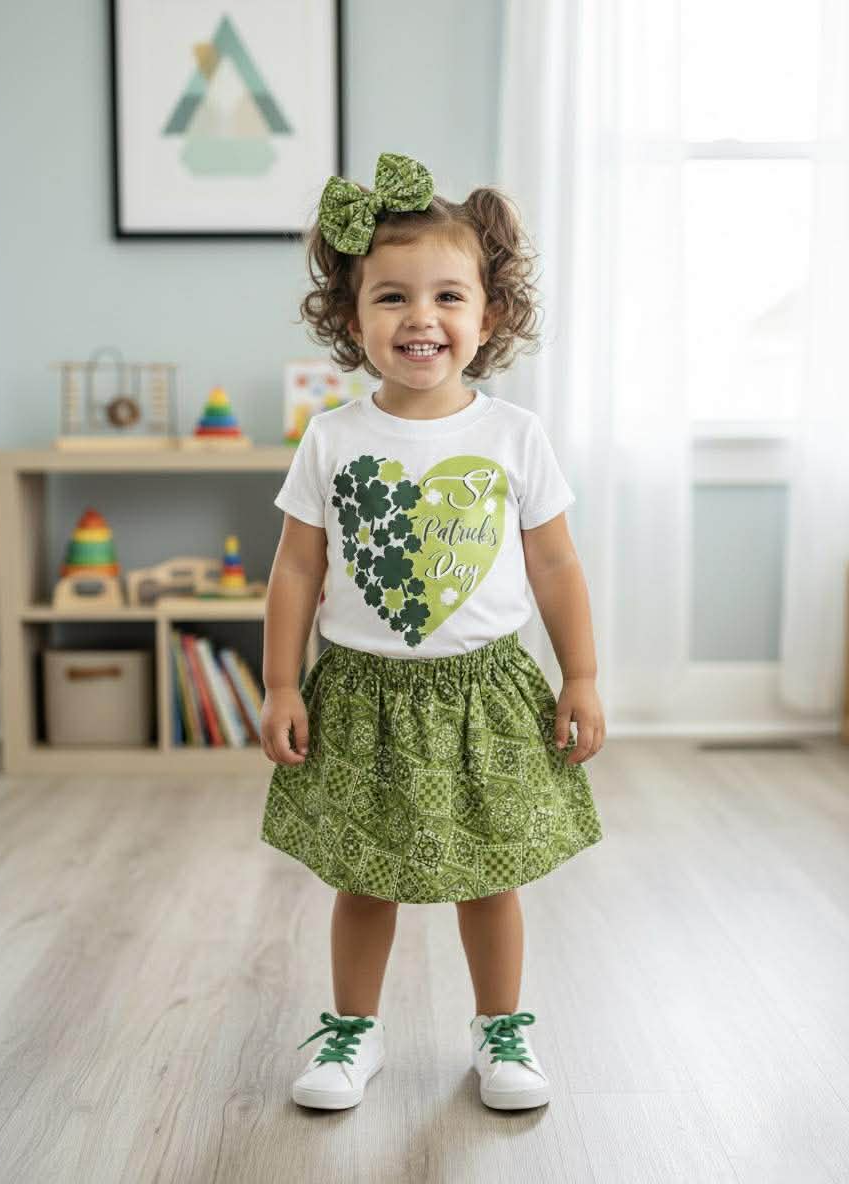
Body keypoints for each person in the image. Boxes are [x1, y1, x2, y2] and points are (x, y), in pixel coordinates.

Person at [259, 151, 605, 1112]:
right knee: (364, 881)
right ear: (352, 316)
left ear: (487, 317)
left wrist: (579, 677)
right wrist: (282, 684)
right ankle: (350, 1037)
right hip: (362, 695)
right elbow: (296, 569)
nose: (421, 318)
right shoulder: (331, 437)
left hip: (481, 695)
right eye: (391, 297)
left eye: (448, 295)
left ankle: (501, 1035)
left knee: (488, 879)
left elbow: (556, 567)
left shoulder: (513, 437)